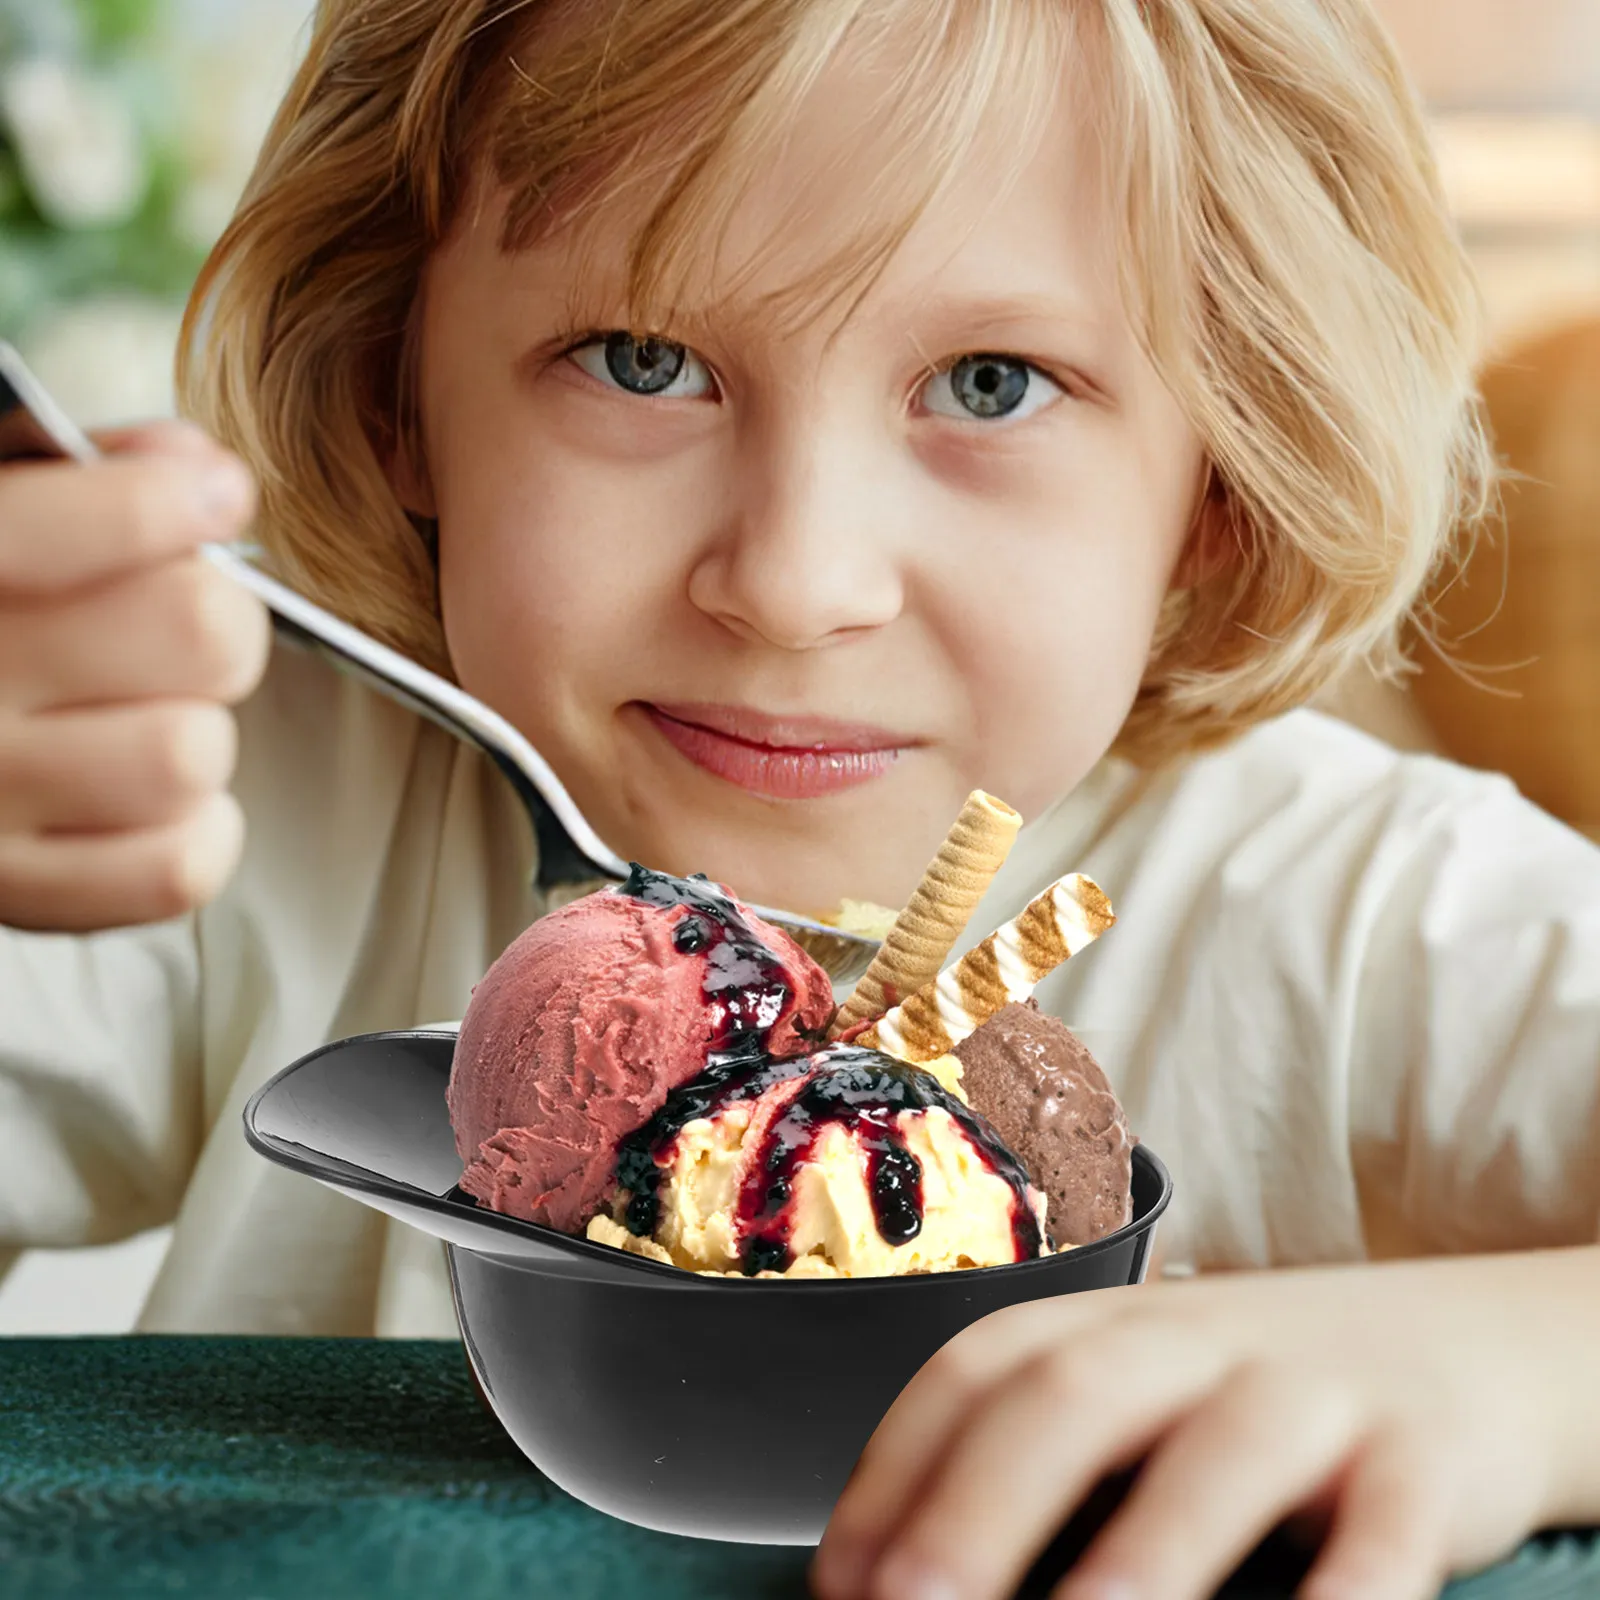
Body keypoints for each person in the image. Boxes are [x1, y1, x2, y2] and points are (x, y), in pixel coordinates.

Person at [1, 1, 1596, 1596]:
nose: (792, 584)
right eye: (647, 363)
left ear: (1221, 490)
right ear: (391, 390)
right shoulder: (220, 776)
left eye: (990, 383)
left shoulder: (1374, 909)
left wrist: (1514, 1372)